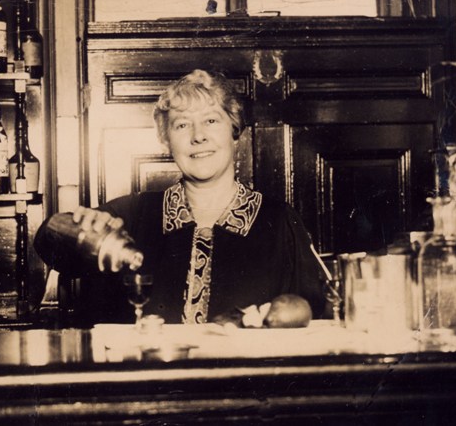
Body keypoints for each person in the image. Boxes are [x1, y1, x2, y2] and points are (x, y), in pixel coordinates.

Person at [35, 69, 325, 326]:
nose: (198, 136)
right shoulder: (129, 216)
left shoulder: (278, 220)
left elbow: (316, 317)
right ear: (166, 140)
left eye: (211, 120)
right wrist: (68, 228)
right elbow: (50, 248)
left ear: (234, 130)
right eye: (182, 125)